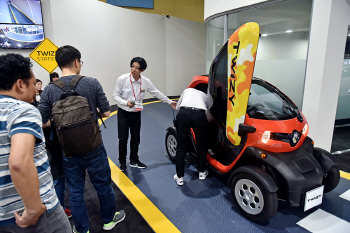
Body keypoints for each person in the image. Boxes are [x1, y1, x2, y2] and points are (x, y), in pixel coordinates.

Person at [38, 45, 125, 233]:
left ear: (60, 64)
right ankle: (108, 221)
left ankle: (81, 228)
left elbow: (42, 121)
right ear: (76, 62)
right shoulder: (92, 83)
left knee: (76, 191)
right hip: (93, 146)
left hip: (67, 150)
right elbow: (107, 111)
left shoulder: (49, 90)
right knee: (103, 186)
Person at [0, 53, 71, 232]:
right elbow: (19, 162)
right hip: (38, 215)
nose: (36, 90)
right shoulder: (23, 110)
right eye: (33, 84)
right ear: (20, 84)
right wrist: (33, 209)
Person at [112, 57, 177, 172]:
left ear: (142, 70)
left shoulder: (145, 81)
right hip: (123, 113)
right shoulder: (122, 79)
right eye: (132, 66)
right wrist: (125, 103)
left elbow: (156, 93)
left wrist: (169, 101)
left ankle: (134, 160)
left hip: (136, 113)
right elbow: (115, 96)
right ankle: (122, 162)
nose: (133, 70)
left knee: (136, 138)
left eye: (137, 68)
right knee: (123, 139)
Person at [173, 85, 209, 186]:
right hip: (199, 115)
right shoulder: (206, 96)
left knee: (181, 147)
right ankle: (202, 173)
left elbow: (178, 106)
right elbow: (209, 110)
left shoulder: (187, 90)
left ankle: (179, 177)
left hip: (184, 113)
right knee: (201, 145)